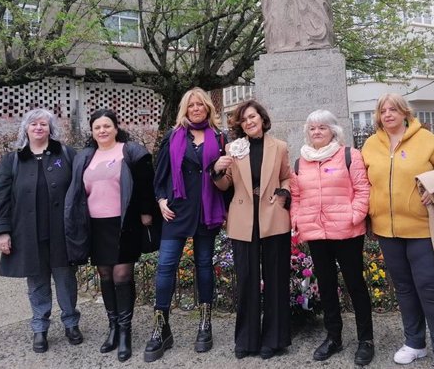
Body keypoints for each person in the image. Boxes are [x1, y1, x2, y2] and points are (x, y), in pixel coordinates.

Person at [361, 94, 434, 369]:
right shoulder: (371, 145)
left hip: (422, 230)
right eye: (383, 110)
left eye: (393, 109)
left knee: (430, 287)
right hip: (386, 230)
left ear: (405, 112)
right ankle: (415, 343)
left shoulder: (426, 140)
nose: (388, 114)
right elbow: (362, 181)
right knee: (404, 289)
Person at [64, 109, 159, 362]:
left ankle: (126, 332)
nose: (102, 130)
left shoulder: (130, 152)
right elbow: (76, 191)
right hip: (95, 225)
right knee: (105, 275)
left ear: (116, 128)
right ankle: (113, 327)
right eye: (97, 127)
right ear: (92, 131)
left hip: (124, 223)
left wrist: (146, 212)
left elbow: (145, 186)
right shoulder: (85, 157)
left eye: (107, 126)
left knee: (121, 274)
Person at [143, 88, 227, 363]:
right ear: (185, 109)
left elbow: (226, 178)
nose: (195, 109)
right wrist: (160, 199)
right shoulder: (174, 136)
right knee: (166, 265)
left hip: (206, 210)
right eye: (191, 105)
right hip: (176, 210)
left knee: (203, 263)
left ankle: (205, 322)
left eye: (200, 104)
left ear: (207, 107)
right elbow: (161, 173)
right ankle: (161, 326)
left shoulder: (219, 137)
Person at [0, 108, 81, 354]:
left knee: (65, 280)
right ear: (26, 129)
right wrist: (2, 232)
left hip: (61, 233)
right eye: (34, 125)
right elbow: (1, 199)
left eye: (44, 124)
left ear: (50, 129)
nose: (39, 128)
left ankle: (71, 323)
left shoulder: (66, 154)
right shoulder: (13, 160)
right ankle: (39, 328)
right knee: (37, 282)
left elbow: (80, 191)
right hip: (28, 234)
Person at [290, 109, 375, 365]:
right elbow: (296, 197)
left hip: (347, 232)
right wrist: (298, 219)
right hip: (317, 233)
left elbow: (362, 189)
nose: (317, 132)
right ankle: (333, 337)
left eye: (322, 128)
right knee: (326, 286)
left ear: (333, 131)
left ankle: (365, 340)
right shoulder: (300, 162)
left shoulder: (350, 155)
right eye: (313, 128)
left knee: (355, 285)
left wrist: (354, 215)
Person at [213, 100, 291, 360]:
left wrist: (284, 193)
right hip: (243, 217)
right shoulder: (233, 149)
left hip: (273, 215)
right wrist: (217, 171)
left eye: (252, 117)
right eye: (243, 119)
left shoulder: (279, 146)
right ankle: (246, 340)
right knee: (246, 280)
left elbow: (286, 176)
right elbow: (226, 185)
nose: (248, 122)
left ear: (262, 119)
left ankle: (274, 340)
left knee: (275, 279)